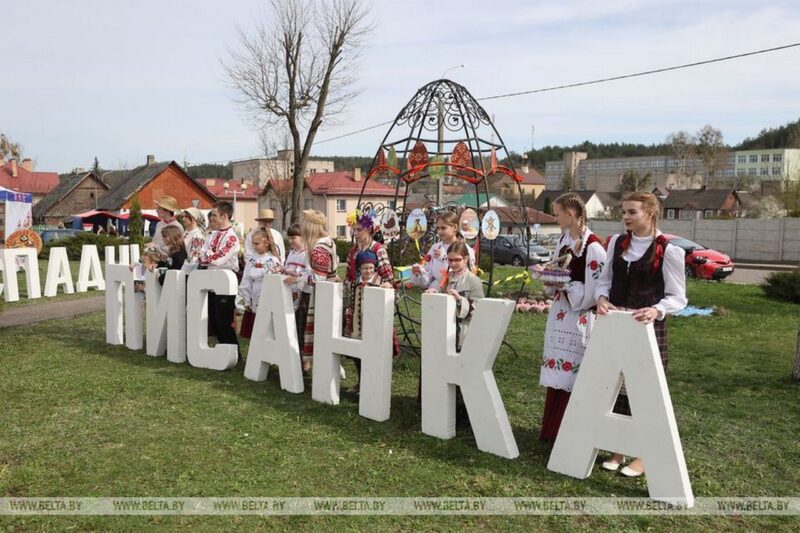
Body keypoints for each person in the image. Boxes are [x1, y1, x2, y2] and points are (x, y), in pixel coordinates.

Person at [594, 191, 687, 477]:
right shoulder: (617, 244)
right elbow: (605, 281)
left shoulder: (668, 250)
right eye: (624, 211)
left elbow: (678, 297)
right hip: (617, 325)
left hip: (647, 328)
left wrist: (657, 310)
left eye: (632, 212)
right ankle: (618, 449)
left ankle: (643, 455)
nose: (626, 217)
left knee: (644, 391)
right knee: (616, 387)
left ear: (650, 213)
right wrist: (601, 298)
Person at [533, 193, 606, 442]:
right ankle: (552, 429)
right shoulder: (564, 240)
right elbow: (557, 269)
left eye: (557, 214)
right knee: (558, 374)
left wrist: (564, 285)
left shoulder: (593, 248)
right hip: (561, 314)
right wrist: (548, 276)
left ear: (571, 214)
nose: (555, 218)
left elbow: (594, 292)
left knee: (574, 375)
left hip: (579, 318)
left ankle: (571, 432)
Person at [425, 241, 484, 428]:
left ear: (465, 259)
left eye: (457, 260)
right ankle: (447, 408)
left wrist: (461, 301)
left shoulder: (473, 280)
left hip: (464, 332)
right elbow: (439, 292)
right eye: (450, 260)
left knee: (462, 372)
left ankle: (464, 412)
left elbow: (480, 309)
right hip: (446, 331)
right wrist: (434, 291)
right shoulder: (445, 276)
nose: (453, 264)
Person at [343, 209, 396, 393]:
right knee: (356, 341)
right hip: (356, 302)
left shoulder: (378, 249)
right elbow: (348, 276)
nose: (356, 233)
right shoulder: (353, 252)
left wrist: (384, 286)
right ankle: (361, 380)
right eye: (354, 229)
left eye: (360, 229)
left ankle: (376, 380)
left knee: (374, 342)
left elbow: (388, 277)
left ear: (370, 229)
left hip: (374, 303)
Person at [282, 209, 338, 372]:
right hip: (323, 292)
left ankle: (316, 367)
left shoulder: (319, 247)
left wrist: (298, 278)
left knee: (314, 333)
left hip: (318, 295)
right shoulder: (327, 242)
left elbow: (318, 278)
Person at [200, 201, 242, 360]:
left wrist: (206, 255)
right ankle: (223, 353)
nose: (211, 218)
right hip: (212, 280)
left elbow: (218, 259)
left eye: (214, 215)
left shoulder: (231, 237)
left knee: (223, 321)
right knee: (214, 320)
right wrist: (206, 256)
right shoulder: (212, 235)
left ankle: (235, 355)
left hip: (225, 281)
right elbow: (201, 257)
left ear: (224, 216)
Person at [410, 211, 475, 290]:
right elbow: (428, 273)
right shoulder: (435, 248)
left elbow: (466, 273)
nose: (439, 231)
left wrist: (444, 259)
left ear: (455, 228)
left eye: (443, 228)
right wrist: (420, 271)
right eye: (438, 228)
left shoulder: (465, 248)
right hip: (436, 287)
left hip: (457, 288)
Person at [239, 229, 284, 339]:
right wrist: (246, 298)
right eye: (253, 244)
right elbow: (246, 279)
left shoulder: (273, 260)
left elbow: (276, 279)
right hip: (254, 292)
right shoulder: (252, 259)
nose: (254, 246)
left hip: (268, 293)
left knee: (267, 321)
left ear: (266, 243)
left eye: (257, 243)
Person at [283, 223, 311, 354]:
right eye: (289, 238)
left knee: (301, 326)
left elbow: (309, 274)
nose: (291, 241)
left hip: (303, 293)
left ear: (303, 237)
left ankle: (301, 354)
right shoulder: (291, 253)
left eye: (294, 238)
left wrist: (297, 277)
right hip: (290, 292)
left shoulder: (307, 254)